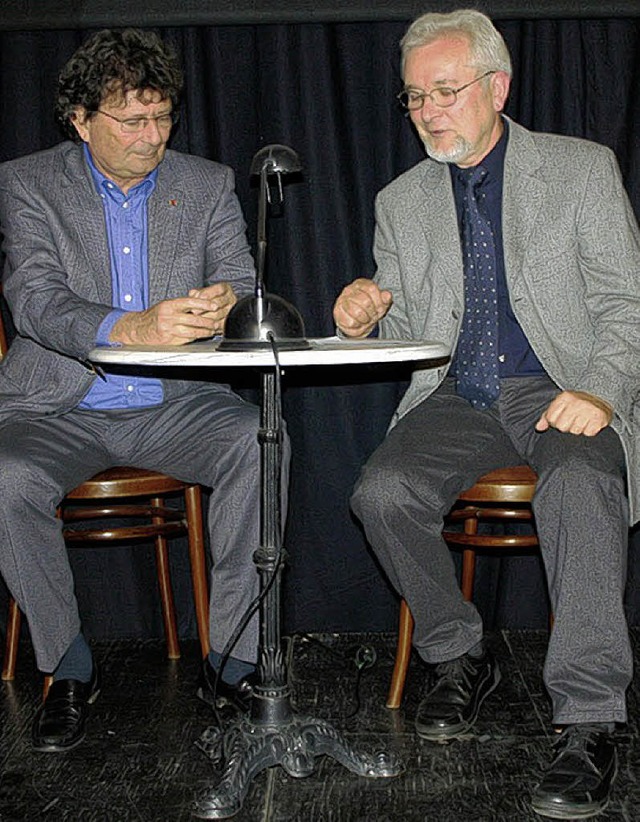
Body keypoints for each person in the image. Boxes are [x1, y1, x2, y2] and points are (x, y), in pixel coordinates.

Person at [333, 9, 640, 820]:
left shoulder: (579, 171)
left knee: (577, 486)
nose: (429, 111)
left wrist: (603, 389)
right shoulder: (399, 199)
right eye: (414, 98)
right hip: (459, 394)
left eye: (445, 90)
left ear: (496, 87)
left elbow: (627, 302)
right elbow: (409, 337)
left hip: (560, 385)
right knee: (381, 493)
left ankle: (590, 717)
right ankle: (459, 655)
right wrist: (364, 317)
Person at [0, 29, 274, 752]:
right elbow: (34, 301)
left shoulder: (206, 183)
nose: (153, 137)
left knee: (259, 440)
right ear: (81, 120)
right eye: (132, 120)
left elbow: (243, 283)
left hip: (174, 401)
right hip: (57, 402)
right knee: (3, 478)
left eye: (163, 118)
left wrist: (224, 304)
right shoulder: (26, 183)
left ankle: (234, 656)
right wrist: (132, 327)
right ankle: (66, 665)